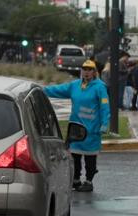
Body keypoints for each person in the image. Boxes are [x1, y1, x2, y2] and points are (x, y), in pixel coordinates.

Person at [44, 59, 110, 193]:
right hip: (75, 129)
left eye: (89, 70)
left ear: (94, 72)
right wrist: (42, 90)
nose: (86, 72)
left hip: (92, 130)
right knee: (75, 157)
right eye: (84, 69)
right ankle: (76, 179)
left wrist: (104, 124)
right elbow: (59, 90)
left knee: (90, 158)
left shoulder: (99, 87)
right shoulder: (75, 85)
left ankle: (89, 181)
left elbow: (105, 106)